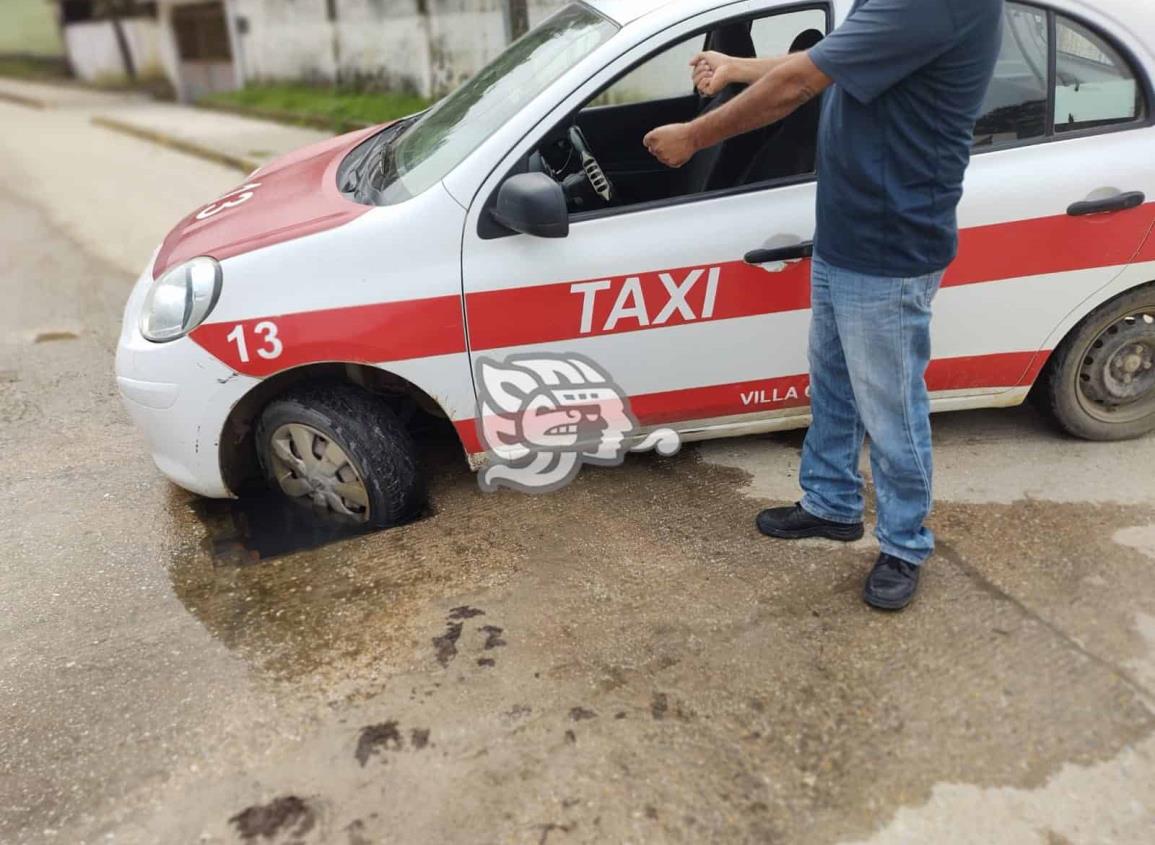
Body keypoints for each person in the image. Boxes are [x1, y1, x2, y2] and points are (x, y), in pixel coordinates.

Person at [644, 0, 1004, 610]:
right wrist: (737, 67)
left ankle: (904, 544)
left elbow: (800, 85)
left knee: (891, 407)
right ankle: (831, 504)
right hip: (847, 229)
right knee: (833, 383)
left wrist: (695, 135)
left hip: (890, 243)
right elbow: (824, 62)